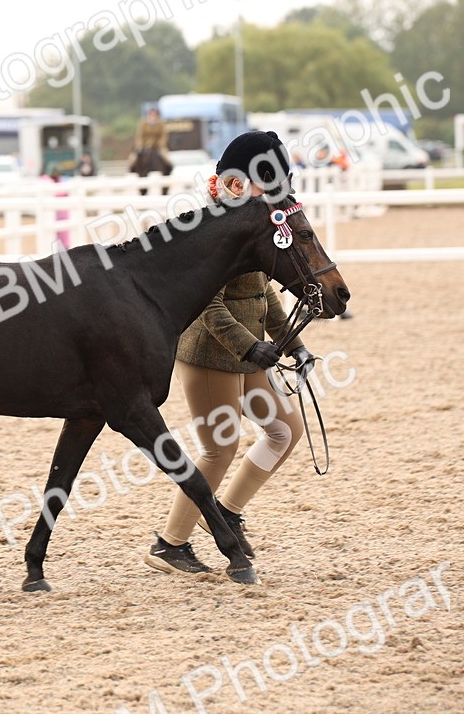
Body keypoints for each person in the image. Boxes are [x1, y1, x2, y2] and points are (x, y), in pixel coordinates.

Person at [144, 130, 315, 579]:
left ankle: (227, 510)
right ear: (238, 182)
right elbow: (211, 306)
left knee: (284, 429)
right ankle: (169, 544)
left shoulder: (256, 227)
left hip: (247, 354)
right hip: (210, 353)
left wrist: (294, 344)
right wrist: (250, 348)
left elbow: (265, 296)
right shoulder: (212, 232)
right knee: (220, 447)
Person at [130, 106, 173, 176]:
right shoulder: (143, 124)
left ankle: (169, 169)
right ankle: (132, 168)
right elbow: (139, 136)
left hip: (157, 146)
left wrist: (161, 144)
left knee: (166, 157)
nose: (153, 116)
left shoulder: (160, 124)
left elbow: (163, 136)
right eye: (151, 114)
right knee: (133, 158)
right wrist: (140, 145)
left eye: (154, 115)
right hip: (145, 145)